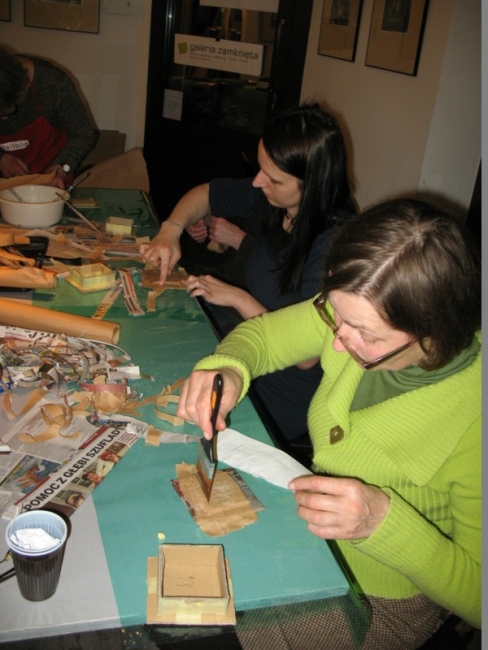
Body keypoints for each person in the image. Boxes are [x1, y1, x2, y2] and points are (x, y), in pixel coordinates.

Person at [176, 199, 481, 648]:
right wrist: (229, 368)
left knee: (209, 633)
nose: (337, 344)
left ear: (435, 329)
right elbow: (265, 337)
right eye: (334, 315)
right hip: (309, 540)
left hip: (381, 597)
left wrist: (383, 522)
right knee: (177, 594)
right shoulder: (358, 308)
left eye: (365, 335)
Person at [141, 103, 356, 444]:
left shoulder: (335, 245)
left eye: (274, 178)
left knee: (180, 425)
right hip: (247, 346)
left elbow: (307, 356)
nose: (258, 181)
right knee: (154, 365)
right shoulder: (278, 200)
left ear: (311, 184)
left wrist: (237, 298)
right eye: (260, 167)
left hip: (285, 390)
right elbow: (207, 193)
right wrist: (171, 229)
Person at [0, 45, 97, 189]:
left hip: (51, 182)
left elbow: (84, 134)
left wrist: (60, 167)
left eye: (6, 112)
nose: (4, 120)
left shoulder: (52, 83)